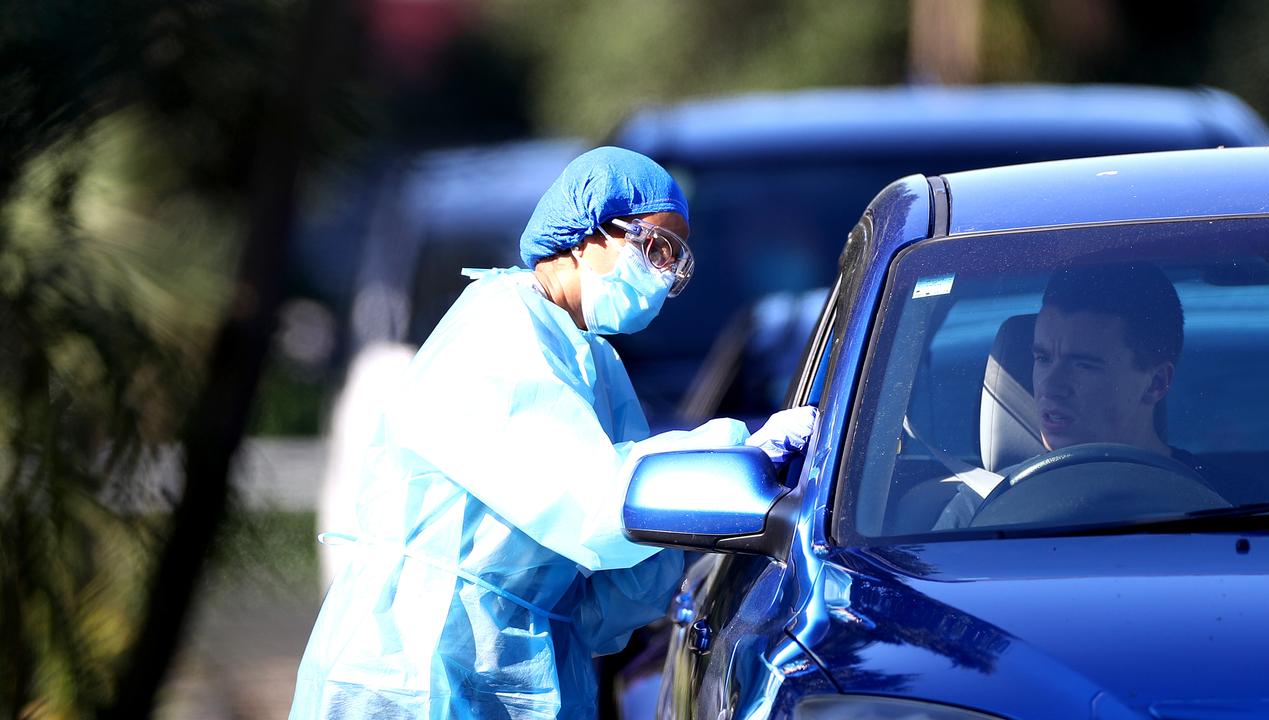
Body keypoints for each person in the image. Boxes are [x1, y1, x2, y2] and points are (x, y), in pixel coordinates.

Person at [289, 147, 816, 719]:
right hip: (414, 670)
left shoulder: (592, 360)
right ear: (590, 232)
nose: (664, 278)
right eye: (657, 249)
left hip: (521, 667)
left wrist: (700, 509)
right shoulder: (500, 331)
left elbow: (628, 556)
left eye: (678, 263)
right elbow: (592, 501)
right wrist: (731, 451)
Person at [935, 261, 1214, 529]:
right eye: (1042, 358)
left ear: (1155, 383)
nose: (1051, 385)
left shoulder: (1229, 500)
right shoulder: (978, 511)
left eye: (1083, 365)